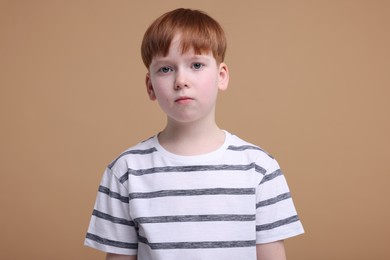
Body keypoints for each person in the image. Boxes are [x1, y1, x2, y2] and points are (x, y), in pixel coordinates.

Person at [84, 8, 304, 260]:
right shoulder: (125, 171)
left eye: (196, 65)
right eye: (166, 69)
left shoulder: (260, 169)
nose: (181, 80)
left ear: (221, 76)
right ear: (150, 86)